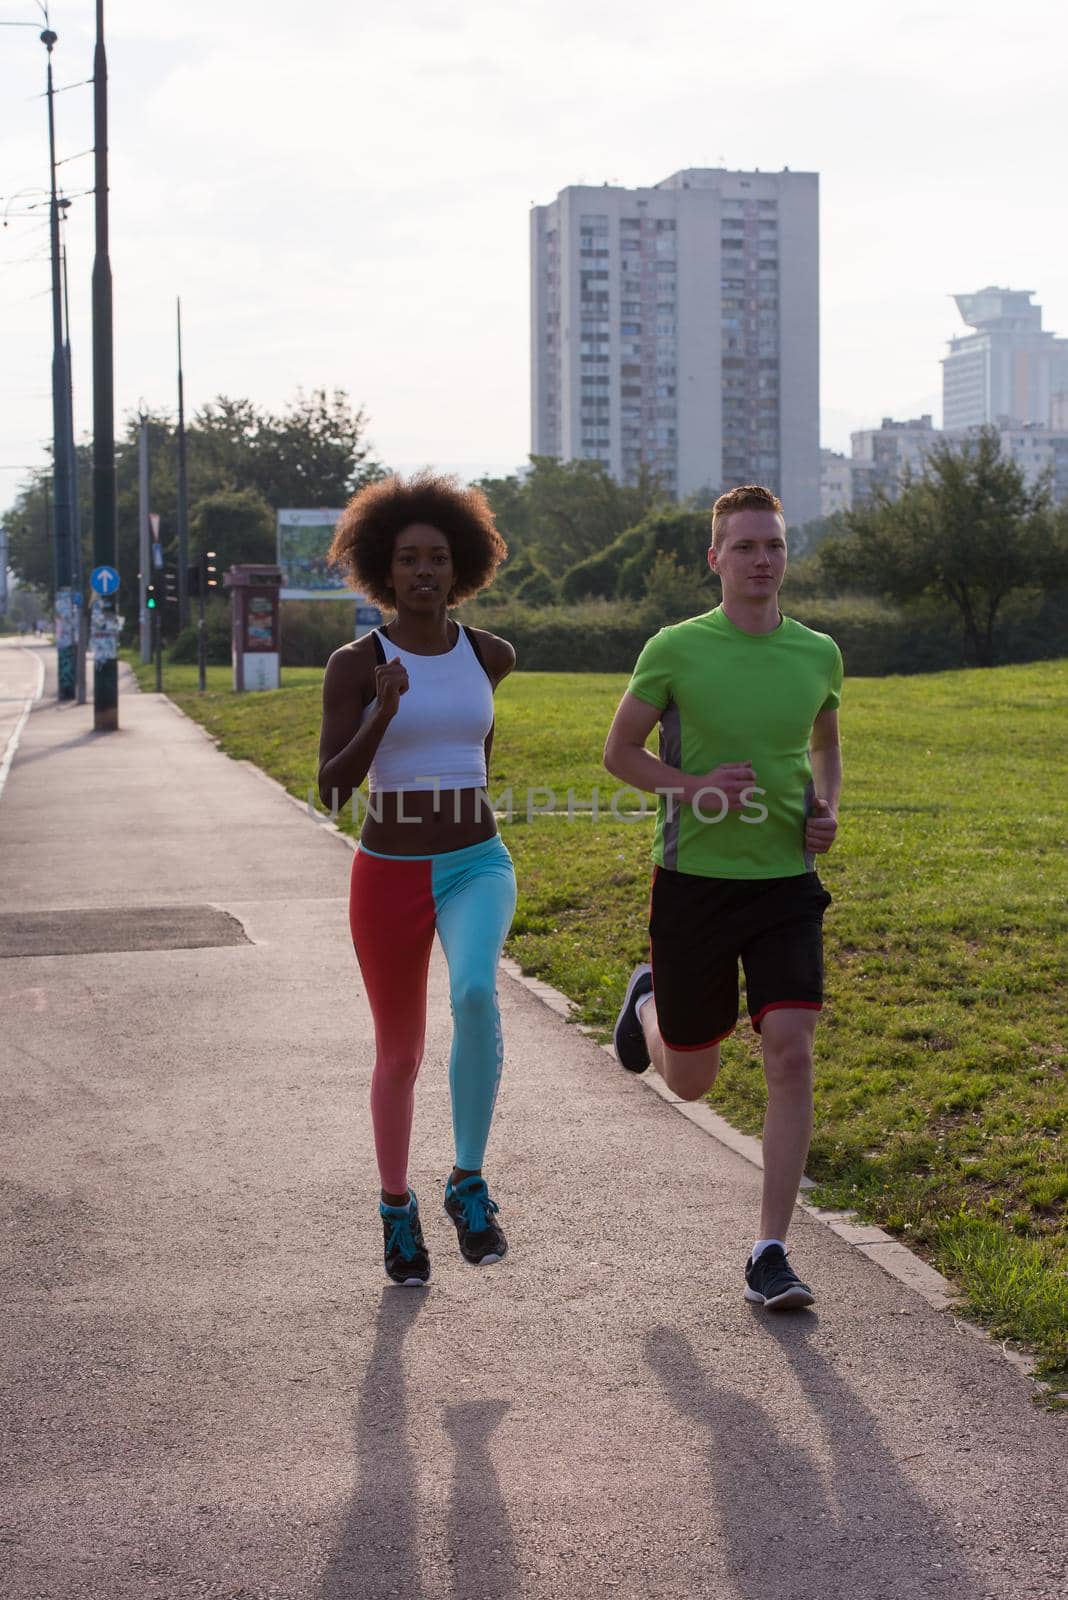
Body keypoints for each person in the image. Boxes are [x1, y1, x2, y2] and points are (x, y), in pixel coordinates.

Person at [604, 484, 843, 1310]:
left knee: (791, 1050)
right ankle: (647, 1008)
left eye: (773, 545)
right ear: (715, 558)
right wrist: (696, 787)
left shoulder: (817, 652)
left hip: (784, 883)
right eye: (744, 546)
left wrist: (828, 810)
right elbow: (620, 753)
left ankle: (770, 1249)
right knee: (693, 1082)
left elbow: (824, 745)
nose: (761, 560)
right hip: (694, 885)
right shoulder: (675, 648)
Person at [318, 473, 516, 1286]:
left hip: (477, 862)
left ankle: (468, 1182)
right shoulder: (355, 664)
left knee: (474, 992)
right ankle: (397, 1210)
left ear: (460, 566)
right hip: (388, 873)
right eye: (408, 560)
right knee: (398, 1053)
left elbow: (476, 752)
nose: (424, 572)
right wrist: (381, 714)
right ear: (383, 571)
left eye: (438, 558)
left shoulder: (490, 654)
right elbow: (331, 788)